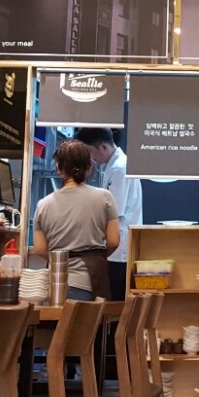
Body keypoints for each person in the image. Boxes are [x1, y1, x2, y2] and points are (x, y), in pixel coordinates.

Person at [32, 140, 119, 301]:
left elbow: (40, 249)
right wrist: (96, 256)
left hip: (55, 285)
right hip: (90, 283)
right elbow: (113, 241)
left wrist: (61, 259)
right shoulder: (104, 198)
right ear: (89, 168)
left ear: (59, 170)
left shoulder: (43, 204)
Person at [74, 127, 142, 301]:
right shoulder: (115, 165)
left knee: (113, 302)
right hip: (117, 247)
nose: (90, 158)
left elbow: (113, 212)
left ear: (103, 147)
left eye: (89, 151)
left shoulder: (119, 168)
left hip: (118, 251)